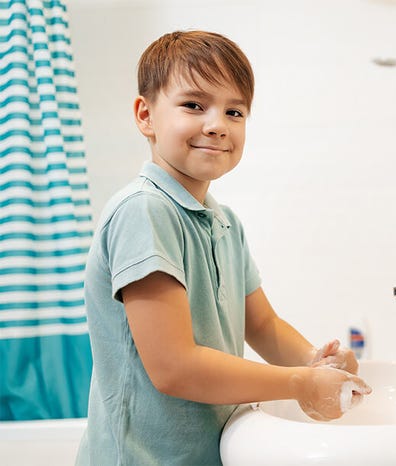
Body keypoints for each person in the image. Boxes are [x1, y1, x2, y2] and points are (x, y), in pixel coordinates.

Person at [76, 30, 370, 466]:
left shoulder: (224, 222)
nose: (216, 124)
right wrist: (300, 384)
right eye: (194, 105)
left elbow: (264, 325)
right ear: (146, 115)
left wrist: (315, 361)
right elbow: (174, 366)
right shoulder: (143, 211)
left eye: (234, 111)